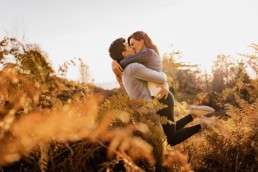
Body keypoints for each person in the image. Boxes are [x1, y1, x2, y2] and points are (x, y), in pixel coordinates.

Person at [109, 33, 214, 146]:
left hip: (154, 104)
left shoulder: (129, 68)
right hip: (150, 107)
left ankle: (203, 125)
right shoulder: (132, 67)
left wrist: (164, 84)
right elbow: (161, 77)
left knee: (168, 140)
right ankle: (194, 116)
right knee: (168, 135)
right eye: (129, 46)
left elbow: (160, 78)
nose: (132, 47)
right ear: (124, 53)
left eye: (132, 44)